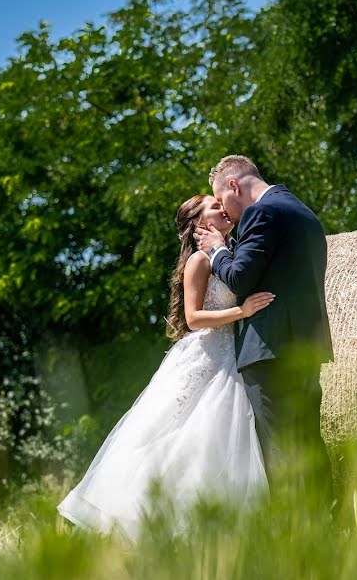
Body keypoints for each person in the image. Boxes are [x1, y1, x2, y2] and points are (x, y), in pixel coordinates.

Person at [57, 195, 273, 541]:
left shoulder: (231, 254)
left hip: (232, 355)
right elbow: (193, 318)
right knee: (185, 434)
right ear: (201, 224)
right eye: (215, 207)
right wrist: (241, 312)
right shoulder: (200, 261)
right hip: (207, 358)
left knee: (217, 440)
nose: (223, 209)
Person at [193, 155, 335, 509]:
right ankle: (328, 530)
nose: (227, 211)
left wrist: (217, 250)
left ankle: (294, 537)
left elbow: (241, 278)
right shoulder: (305, 214)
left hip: (269, 348)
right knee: (308, 445)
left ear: (233, 186)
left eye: (221, 199)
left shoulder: (262, 212)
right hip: (306, 346)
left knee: (279, 451)